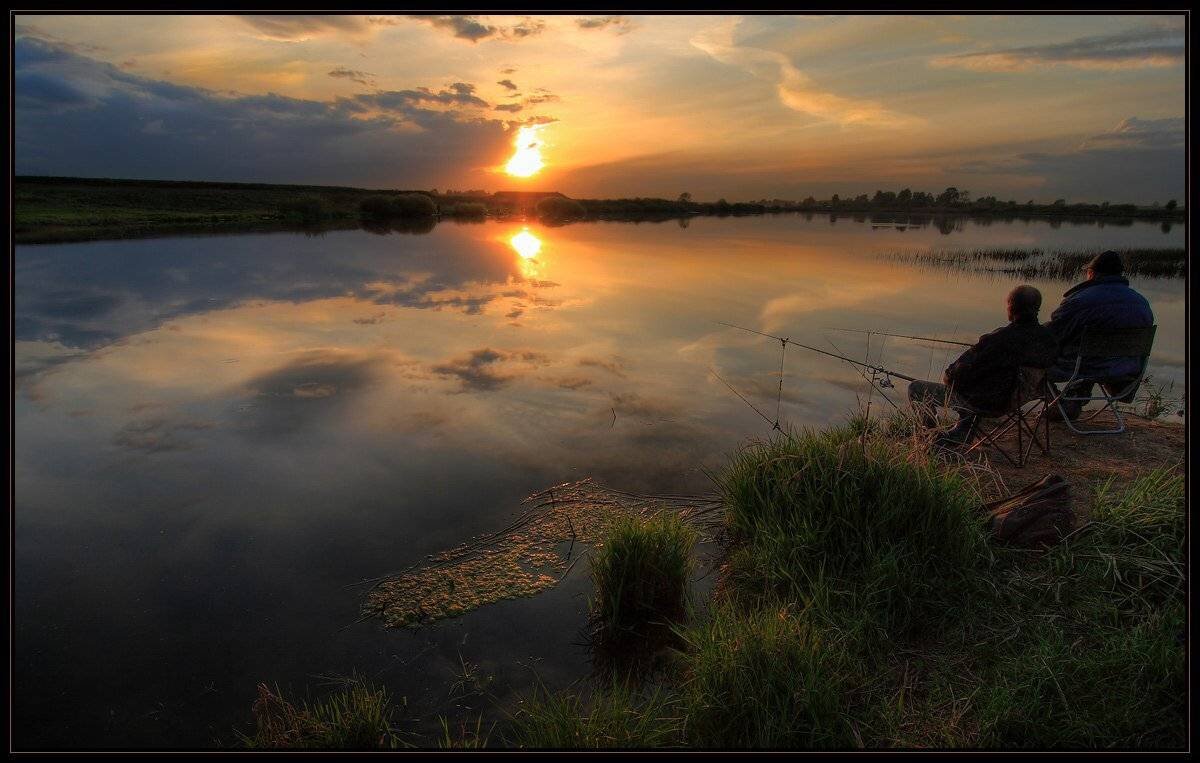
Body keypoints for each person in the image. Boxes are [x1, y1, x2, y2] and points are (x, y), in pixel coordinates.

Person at [907, 285, 1059, 445]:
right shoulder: (1048, 339)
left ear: (1012, 306)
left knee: (916, 388)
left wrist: (949, 375)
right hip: (1015, 400)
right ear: (1037, 308)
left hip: (990, 403)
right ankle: (962, 432)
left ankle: (932, 438)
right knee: (981, 384)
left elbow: (957, 375)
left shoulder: (999, 340)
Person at [1044, 250, 1154, 420]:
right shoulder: (1141, 302)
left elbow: (1052, 336)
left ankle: (1059, 406)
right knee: (1090, 357)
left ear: (1092, 273)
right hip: (1125, 368)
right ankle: (1074, 398)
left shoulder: (1080, 301)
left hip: (1083, 366)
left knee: (1031, 362)